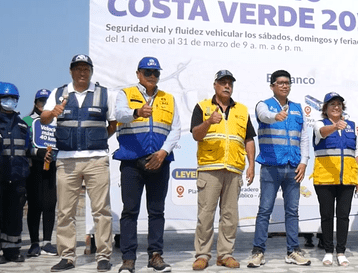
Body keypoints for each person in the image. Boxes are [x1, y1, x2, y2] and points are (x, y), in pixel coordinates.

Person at [41, 54, 117, 272]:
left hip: (96, 160)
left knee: (101, 210)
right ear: (71, 71)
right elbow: (45, 118)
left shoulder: (105, 94)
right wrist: (52, 113)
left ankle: (103, 256)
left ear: (91, 71)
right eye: (77, 69)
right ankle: (66, 256)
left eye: (86, 69)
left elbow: (112, 124)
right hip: (66, 161)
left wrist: (96, 140)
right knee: (65, 211)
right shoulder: (58, 93)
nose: (82, 73)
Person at [114, 57, 181, 273]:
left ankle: (155, 255)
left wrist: (163, 152)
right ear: (138, 74)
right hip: (132, 161)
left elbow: (176, 129)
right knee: (130, 211)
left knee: (156, 211)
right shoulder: (126, 94)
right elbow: (119, 115)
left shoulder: (168, 98)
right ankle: (128, 259)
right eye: (147, 72)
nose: (152, 76)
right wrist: (136, 113)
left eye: (156, 73)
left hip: (159, 161)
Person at [191, 70, 256, 270]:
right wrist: (209, 121)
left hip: (234, 169)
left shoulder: (242, 110)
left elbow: (249, 139)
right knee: (206, 215)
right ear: (215, 85)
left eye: (230, 83)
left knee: (230, 216)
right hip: (210, 168)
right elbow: (196, 135)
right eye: (223, 82)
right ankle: (202, 255)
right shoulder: (203, 106)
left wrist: (251, 164)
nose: (227, 86)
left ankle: (225, 255)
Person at [247, 70, 310, 267]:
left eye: (287, 83)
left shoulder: (298, 108)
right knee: (265, 210)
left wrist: (304, 161)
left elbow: (305, 137)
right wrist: (276, 115)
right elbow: (264, 117)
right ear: (272, 85)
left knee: (292, 211)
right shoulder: (264, 105)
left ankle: (292, 251)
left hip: (293, 167)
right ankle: (258, 252)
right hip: (271, 166)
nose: (284, 85)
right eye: (280, 82)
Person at [312, 92, 358, 267]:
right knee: (326, 216)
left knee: (343, 216)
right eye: (332, 104)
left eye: (339, 104)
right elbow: (322, 133)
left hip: (347, 179)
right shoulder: (320, 123)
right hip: (325, 178)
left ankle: (341, 252)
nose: (336, 107)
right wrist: (335, 127)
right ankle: (327, 251)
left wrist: (357, 176)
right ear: (325, 108)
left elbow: (357, 153)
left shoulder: (352, 126)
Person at [23, 89, 58, 257]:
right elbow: (23, 145)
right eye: (40, 101)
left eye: (46, 101)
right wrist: (37, 153)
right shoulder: (27, 121)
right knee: (35, 205)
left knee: (50, 204)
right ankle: (34, 242)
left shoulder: (56, 121)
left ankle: (47, 242)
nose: (43, 105)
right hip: (34, 168)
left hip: (52, 167)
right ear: (35, 103)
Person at [0, 82, 31, 263]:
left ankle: (12, 251)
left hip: (17, 178)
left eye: (13, 98)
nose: (9, 101)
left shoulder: (22, 125)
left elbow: (26, 149)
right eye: (5, 98)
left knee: (15, 216)